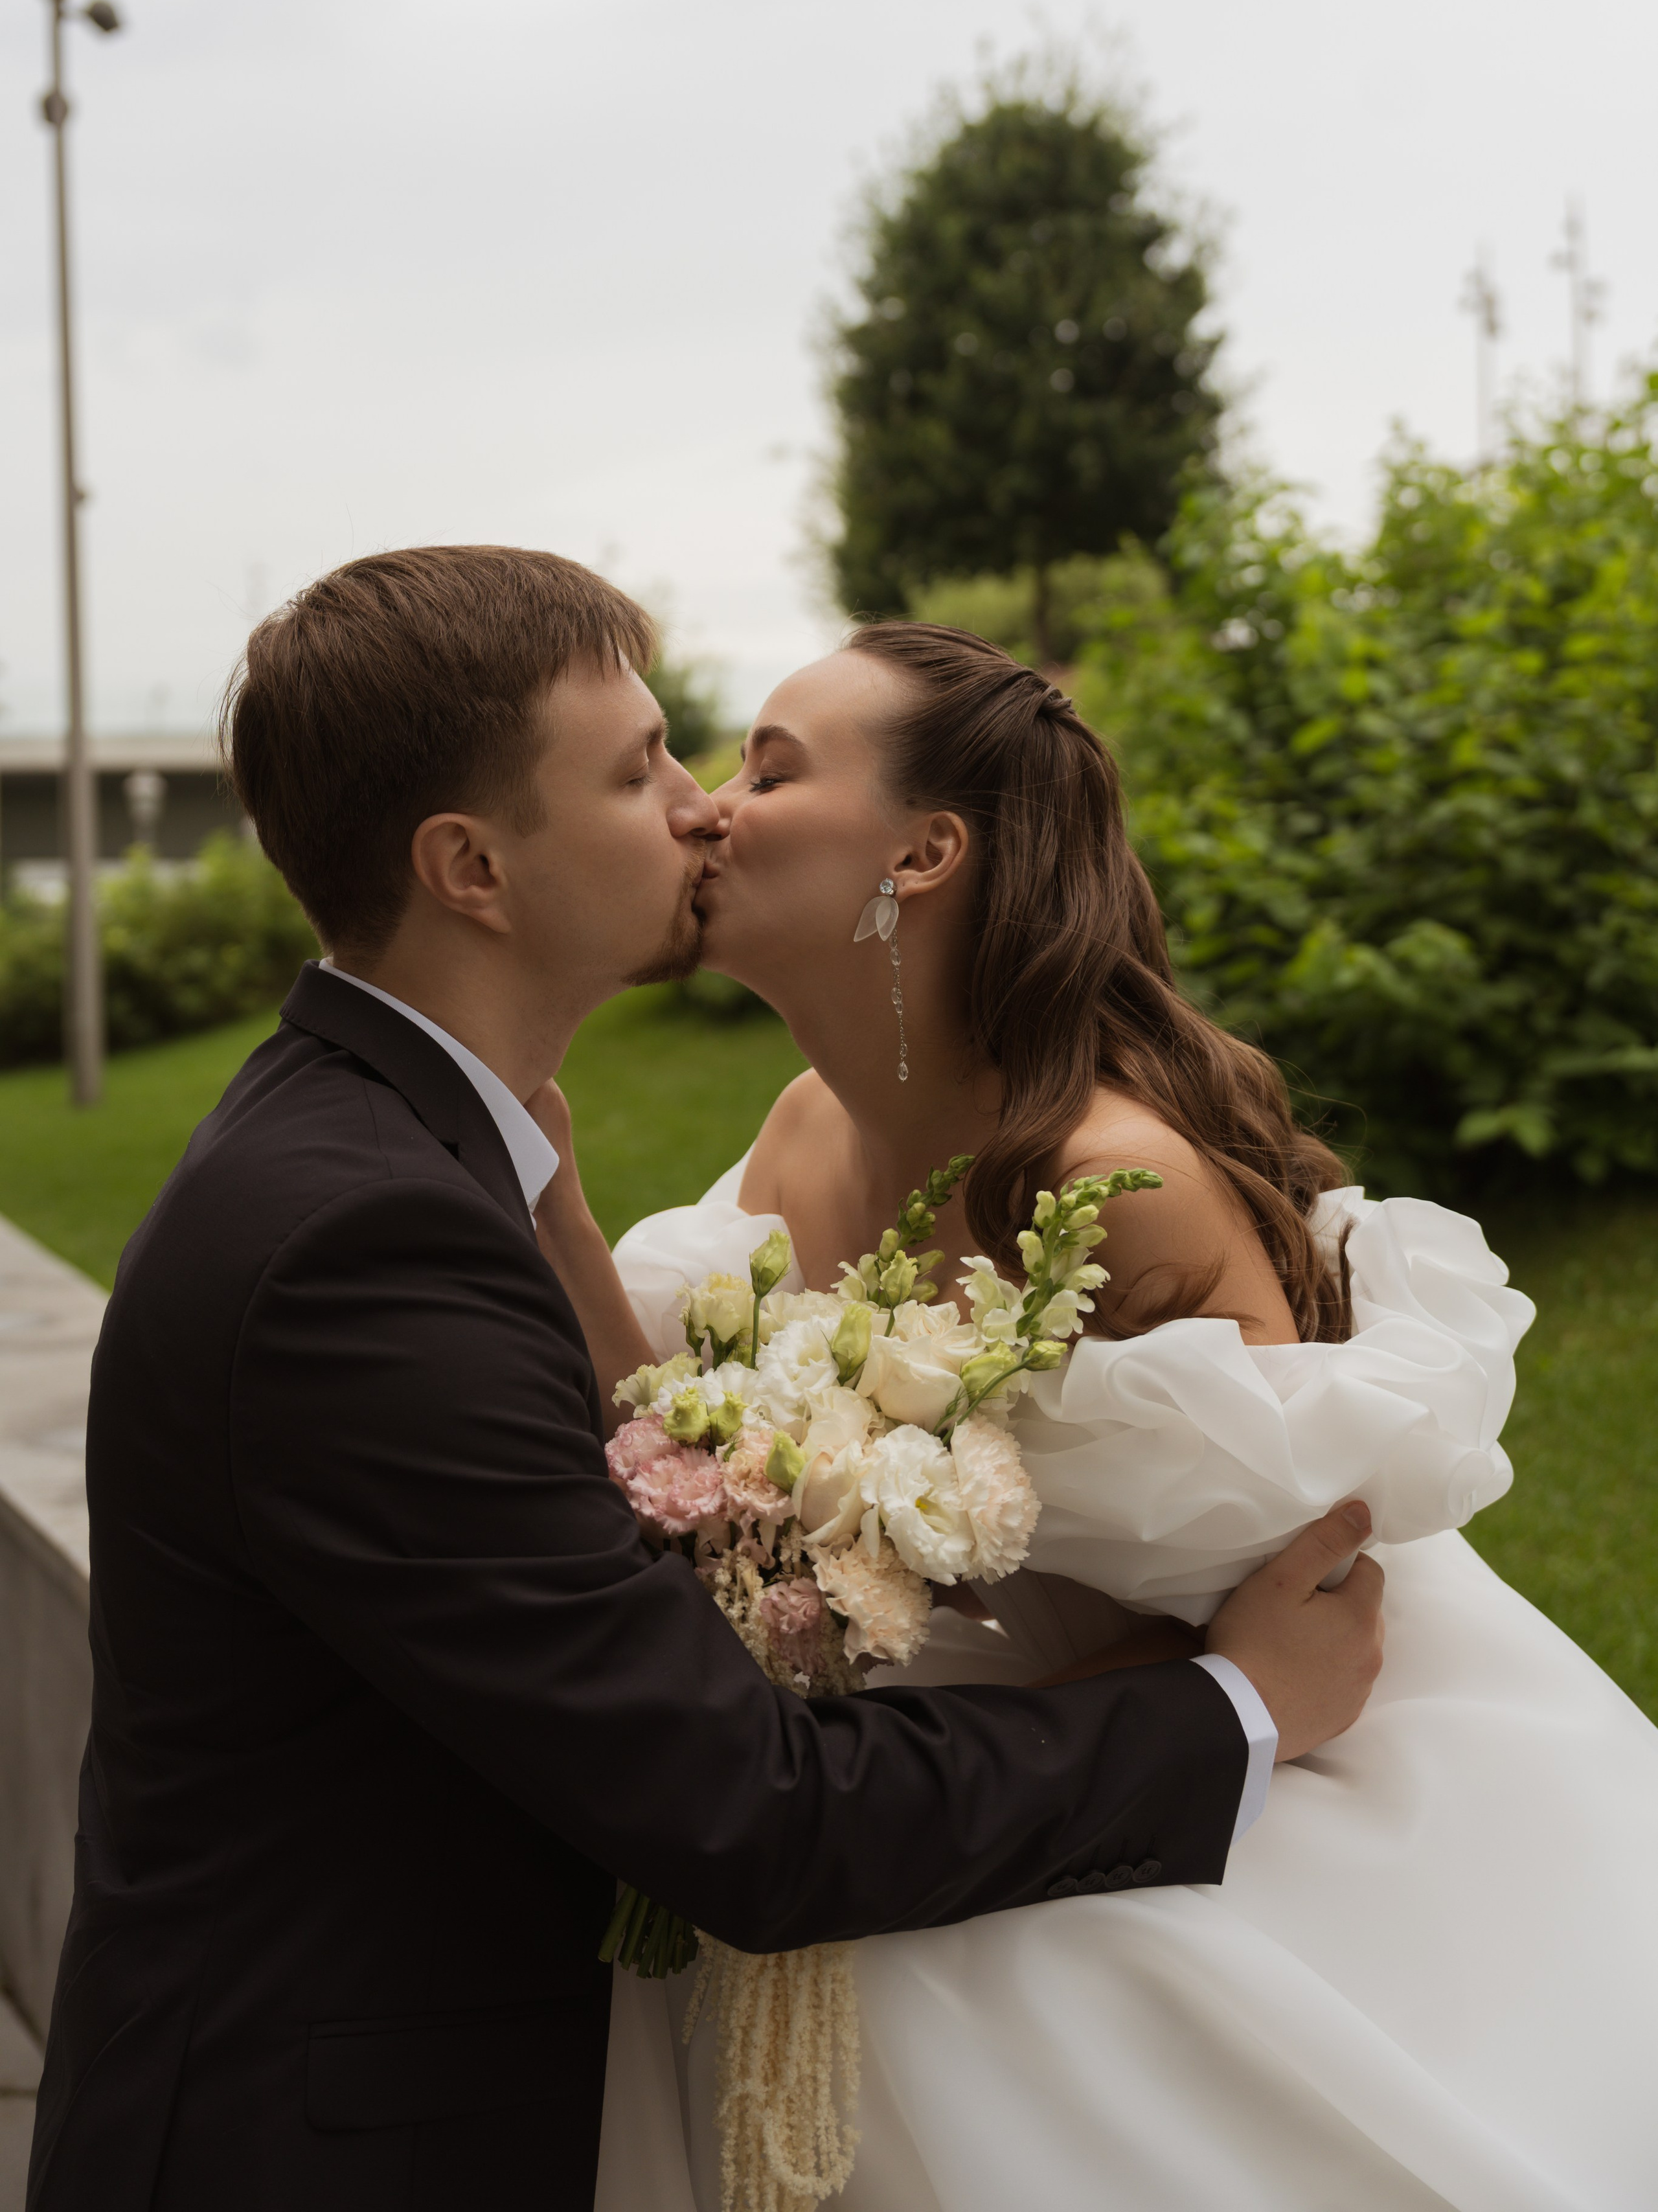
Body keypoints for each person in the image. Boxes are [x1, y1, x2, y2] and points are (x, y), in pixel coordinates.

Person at [26, 552, 1381, 2212]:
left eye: (719, 762)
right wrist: (1233, 1708)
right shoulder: (363, 1239)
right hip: (318, 2135)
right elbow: (748, 1813)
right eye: (642, 766)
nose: (696, 811)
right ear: (469, 868)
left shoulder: (404, 1165)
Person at [539, 621, 1658, 2212]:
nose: (708, 807)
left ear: (923, 851)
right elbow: (669, 1437)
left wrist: (890, 1751)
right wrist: (551, 1190)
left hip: (1264, 1762)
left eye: (769, 770)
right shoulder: (803, 1126)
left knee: (945, 1999)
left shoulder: (1108, 1184)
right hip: (949, 1757)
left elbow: (1289, 1599)